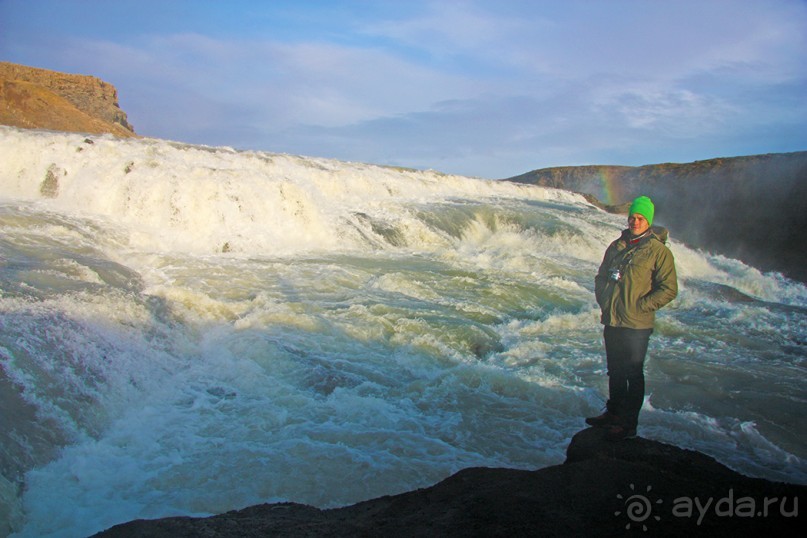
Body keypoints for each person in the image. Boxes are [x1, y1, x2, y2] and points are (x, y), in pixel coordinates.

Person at [588, 195, 678, 441]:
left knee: (633, 373)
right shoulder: (617, 246)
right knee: (615, 371)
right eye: (632, 217)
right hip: (613, 319)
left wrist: (642, 306)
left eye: (640, 218)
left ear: (647, 220)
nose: (635, 222)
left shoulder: (658, 252)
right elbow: (601, 276)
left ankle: (629, 424)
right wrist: (604, 299)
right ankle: (613, 414)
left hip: (637, 325)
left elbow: (669, 289)